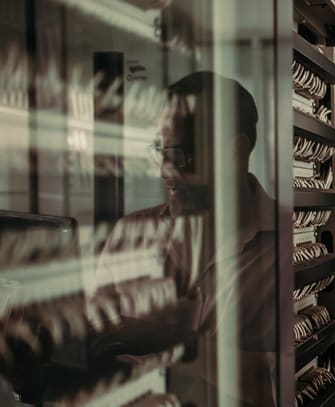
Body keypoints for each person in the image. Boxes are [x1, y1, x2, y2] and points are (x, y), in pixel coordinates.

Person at [94, 71, 277, 406]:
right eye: (159, 152)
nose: (164, 171)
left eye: (179, 155)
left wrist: (175, 341)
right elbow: (95, 360)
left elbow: (276, 387)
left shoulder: (286, 246)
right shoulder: (129, 235)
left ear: (235, 150)